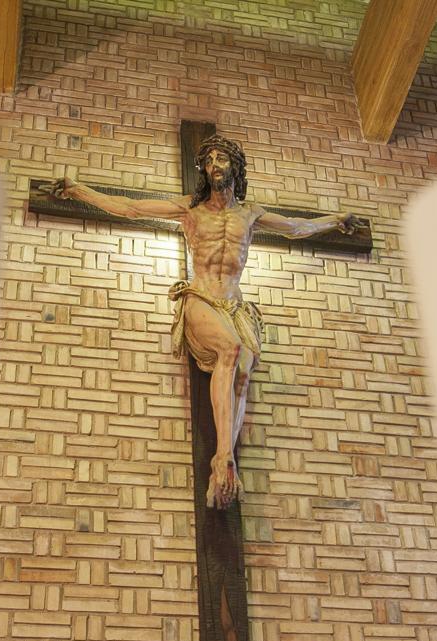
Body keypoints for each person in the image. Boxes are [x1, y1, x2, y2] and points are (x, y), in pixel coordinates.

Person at [50, 135, 367, 509]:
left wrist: (336, 220)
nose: (216, 165)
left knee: (243, 372)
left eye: (223, 159)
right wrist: (79, 191)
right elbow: (131, 208)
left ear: (236, 167)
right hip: (200, 297)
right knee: (231, 350)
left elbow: (297, 227)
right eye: (210, 160)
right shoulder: (191, 209)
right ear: (204, 169)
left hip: (234, 306)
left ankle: (224, 463)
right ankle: (222, 455)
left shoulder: (249, 214)